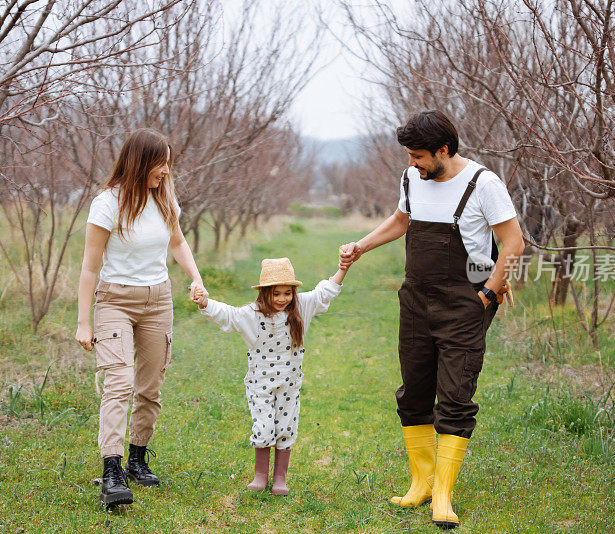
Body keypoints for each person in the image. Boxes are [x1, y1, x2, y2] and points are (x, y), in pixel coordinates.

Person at [339, 111, 524, 529]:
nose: (412, 164)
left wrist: (490, 293)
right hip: (416, 301)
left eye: (419, 156)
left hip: (465, 303)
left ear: (444, 150)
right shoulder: (412, 180)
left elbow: (513, 242)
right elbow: (402, 221)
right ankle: (421, 483)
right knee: (414, 391)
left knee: (455, 397)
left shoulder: (483, 184)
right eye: (408, 156)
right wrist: (361, 246)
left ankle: (444, 493)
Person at [75, 129, 205, 507]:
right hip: (114, 299)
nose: (166, 170)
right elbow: (89, 267)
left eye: (168, 163)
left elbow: (177, 243)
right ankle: (112, 469)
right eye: (160, 163)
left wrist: (197, 280)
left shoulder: (164, 199)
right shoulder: (107, 204)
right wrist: (84, 322)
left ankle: (137, 457)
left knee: (150, 385)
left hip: (158, 300)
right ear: (140, 162)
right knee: (119, 382)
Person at [191, 257, 347, 495]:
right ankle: (260, 476)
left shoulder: (301, 308)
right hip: (260, 385)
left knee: (286, 427)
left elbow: (324, 293)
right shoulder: (251, 315)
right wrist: (204, 302)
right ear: (265, 293)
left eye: (287, 293)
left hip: (289, 384)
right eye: (276, 294)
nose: (282, 299)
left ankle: (280, 478)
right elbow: (227, 314)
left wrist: (342, 269)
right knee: (263, 427)